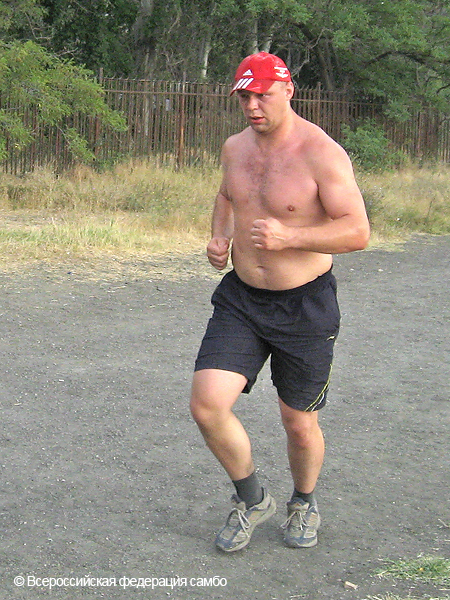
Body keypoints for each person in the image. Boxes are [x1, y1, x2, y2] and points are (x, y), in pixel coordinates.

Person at [190, 52, 370, 553]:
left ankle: (304, 502)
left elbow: (357, 232)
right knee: (207, 405)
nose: (252, 106)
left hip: (305, 305)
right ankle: (252, 499)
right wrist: (220, 237)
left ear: (289, 91)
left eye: (262, 96)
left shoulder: (321, 153)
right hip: (242, 300)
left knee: (298, 422)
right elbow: (227, 196)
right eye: (244, 97)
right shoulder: (234, 148)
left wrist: (291, 236)